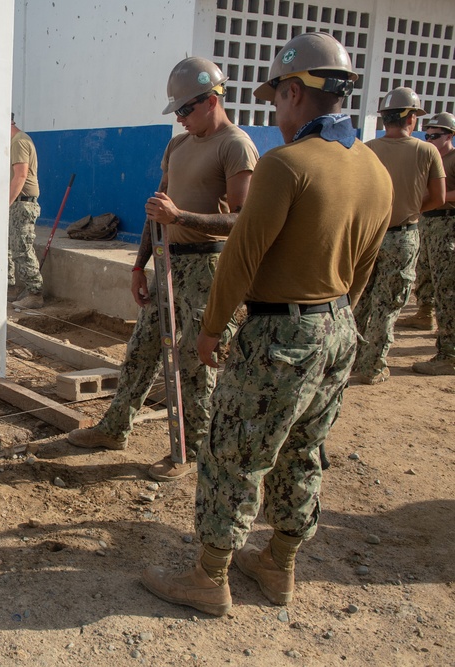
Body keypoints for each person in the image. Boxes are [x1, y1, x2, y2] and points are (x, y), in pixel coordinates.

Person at [141, 32, 392, 616]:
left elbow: (241, 257)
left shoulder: (287, 165)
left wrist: (210, 331)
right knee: (304, 447)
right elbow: (365, 267)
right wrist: (336, 314)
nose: (275, 109)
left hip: (280, 334)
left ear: (297, 93)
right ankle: (279, 564)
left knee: (233, 452)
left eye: (278, 96)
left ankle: (209, 576)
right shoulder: (375, 170)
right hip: (337, 328)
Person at [67, 57, 258, 482]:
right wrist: (139, 265)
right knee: (141, 351)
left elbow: (243, 221)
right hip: (167, 264)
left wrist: (181, 219)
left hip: (207, 267)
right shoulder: (177, 146)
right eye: (177, 113)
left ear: (211, 100)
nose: (181, 119)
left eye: (186, 110)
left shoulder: (236, 145)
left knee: (193, 364)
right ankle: (115, 428)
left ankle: (189, 451)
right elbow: (158, 211)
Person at [350, 88, 445, 384]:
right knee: (387, 305)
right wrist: (411, 209)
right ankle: (372, 367)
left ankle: (347, 359)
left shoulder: (366, 148)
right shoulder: (426, 151)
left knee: (358, 299)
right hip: (403, 238)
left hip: (369, 236)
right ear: (411, 118)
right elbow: (438, 198)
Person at [411, 112, 455, 375]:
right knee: (425, 274)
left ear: (449, 135)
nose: (429, 139)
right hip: (429, 222)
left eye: (435, 135)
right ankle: (424, 314)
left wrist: (439, 196)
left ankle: (448, 354)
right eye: (426, 135)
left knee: (447, 289)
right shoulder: (431, 158)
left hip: (447, 223)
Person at [8, 113, 45, 310]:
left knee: (21, 248)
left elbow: (20, 176)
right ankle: (11, 288)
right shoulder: (17, 141)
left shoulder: (19, 142)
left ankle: (34, 293)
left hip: (22, 203)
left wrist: (6, 203)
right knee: (10, 247)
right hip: (18, 203)